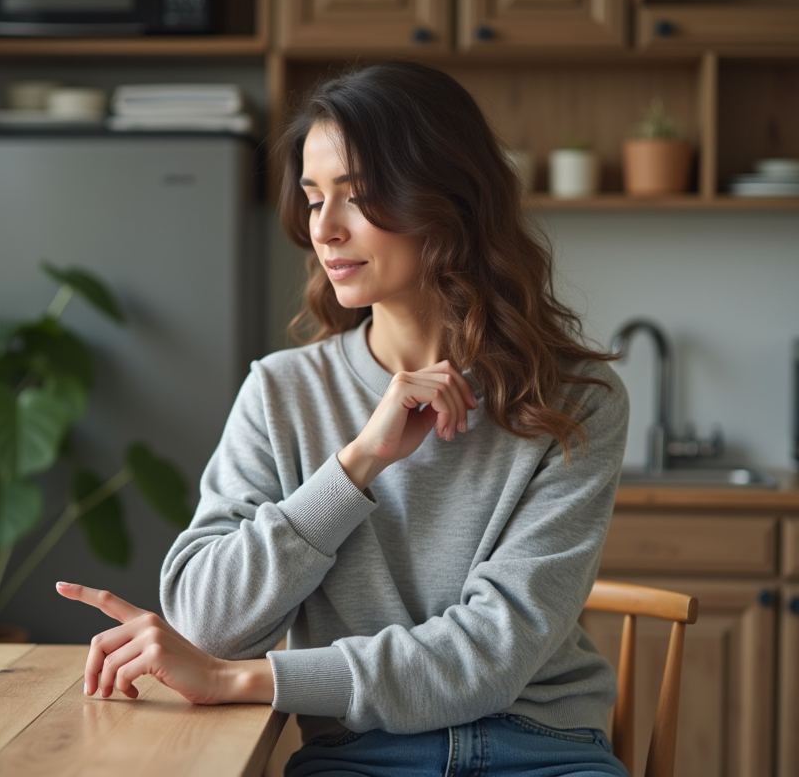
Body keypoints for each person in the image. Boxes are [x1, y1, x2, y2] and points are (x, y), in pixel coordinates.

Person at [56, 61, 631, 777]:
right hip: (362, 756)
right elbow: (207, 623)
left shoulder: (576, 399)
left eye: (357, 198)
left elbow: (491, 656)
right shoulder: (282, 391)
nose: (324, 230)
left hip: (542, 750)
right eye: (312, 197)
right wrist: (356, 464)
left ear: (449, 200)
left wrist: (249, 681)